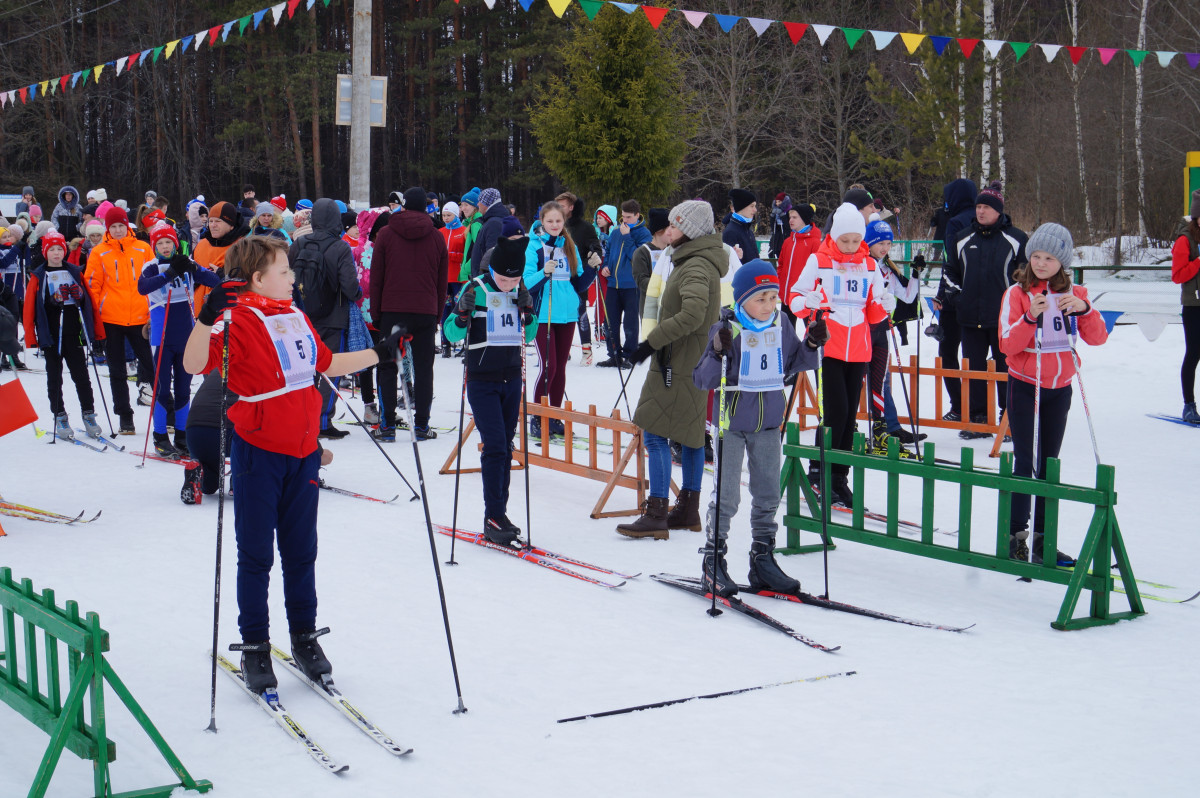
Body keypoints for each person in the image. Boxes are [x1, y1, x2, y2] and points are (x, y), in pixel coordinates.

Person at [181, 235, 406, 693]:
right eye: (284, 271)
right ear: (259, 279)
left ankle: (305, 638)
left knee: (302, 553)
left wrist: (379, 353)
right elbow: (193, 362)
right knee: (257, 555)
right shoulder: (236, 319)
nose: (293, 278)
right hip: (258, 453)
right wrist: (206, 317)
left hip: (303, 452)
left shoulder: (296, 316)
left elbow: (325, 363)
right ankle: (256, 646)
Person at [692, 260, 825, 595]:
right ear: (742, 299)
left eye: (772, 297)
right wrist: (717, 352)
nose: (768, 305)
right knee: (727, 495)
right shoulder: (729, 326)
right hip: (732, 423)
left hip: (767, 423)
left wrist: (810, 344)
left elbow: (794, 363)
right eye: (760, 298)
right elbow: (703, 379)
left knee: (767, 493)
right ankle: (713, 559)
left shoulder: (780, 323)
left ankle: (762, 558)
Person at [617, 200, 726, 539]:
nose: (667, 231)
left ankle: (657, 511)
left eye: (674, 226)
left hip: (677, 362)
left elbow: (693, 314)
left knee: (655, 431)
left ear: (690, 231)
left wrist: (651, 342)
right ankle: (688, 510)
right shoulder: (696, 259)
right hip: (691, 360)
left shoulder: (694, 265)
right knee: (691, 435)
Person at [998, 223, 1106, 565]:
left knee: (1049, 465)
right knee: (1025, 463)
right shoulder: (1017, 294)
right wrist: (1030, 316)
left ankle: (1045, 541)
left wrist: (1085, 310)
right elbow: (1006, 344)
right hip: (1025, 384)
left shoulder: (1076, 293)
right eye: (1037, 256)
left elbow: (1099, 337)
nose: (1042, 263)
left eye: (1049, 258)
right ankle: (1016, 538)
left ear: (1062, 262)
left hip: (1060, 387)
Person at [788, 202, 888, 509]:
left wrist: (883, 303)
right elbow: (793, 299)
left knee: (849, 420)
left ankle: (839, 478)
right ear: (834, 236)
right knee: (835, 413)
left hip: (858, 349)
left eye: (856, 240)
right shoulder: (820, 260)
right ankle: (819, 475)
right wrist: (809, 301)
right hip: (827, 347)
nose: (850, 246)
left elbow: (874, 312)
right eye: (844, 240)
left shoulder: (869, 266)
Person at [444, 236, 538, 545]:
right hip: (482, 381)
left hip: (512, 379)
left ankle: (499, 513)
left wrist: (529, 310)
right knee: (495, 446)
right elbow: (451, 333)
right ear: (493, 271)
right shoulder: (476, 289)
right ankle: (493, 515)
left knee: (505, 447)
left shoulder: (519, 291)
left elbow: (529, 334)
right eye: (503, 278)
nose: (509, 284)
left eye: (514, 278)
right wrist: (461, 313)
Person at [943, 181, 1027, 438]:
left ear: (998, 211)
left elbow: (1026, 277)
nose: (981, 211)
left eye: (986, 207)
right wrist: (958, 298)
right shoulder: (962, 237)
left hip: (1004, 321)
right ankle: (978, 418)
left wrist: (1018, 307)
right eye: (978, 206)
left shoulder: (1017, 239)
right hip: (969, 318)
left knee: (1006, 369)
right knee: (974, 370)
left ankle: (1009, 417)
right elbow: (950, 272)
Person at [370, 187, 449, 441]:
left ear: (403, 206)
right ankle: (423, 425)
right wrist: (436, 314)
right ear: (426, 208)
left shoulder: (385, 233)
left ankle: (388, 425)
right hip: (425, 309)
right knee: (424, 367)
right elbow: (441, 281)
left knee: (388, 366)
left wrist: (377, 313)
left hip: (393, 309)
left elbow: (377, 277)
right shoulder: (437, 236)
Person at [137, 223, 222, 457]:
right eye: (160, 243)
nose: (165, 247)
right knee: (163, 390)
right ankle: (160, 436)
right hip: (162, 338)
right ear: (155, 246)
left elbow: (212, 279)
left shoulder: (186, 263)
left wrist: (208, 272)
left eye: (169, 242)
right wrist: (169, 274)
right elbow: (143, 288)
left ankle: (182, 436)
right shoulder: (151, 267)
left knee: (184, 389)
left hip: (186, 337)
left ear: (176, 244)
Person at [288, 199, 361, 440]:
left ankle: (302, 417)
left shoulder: (298, 243)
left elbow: (287, 278)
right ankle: (322, 421)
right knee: (331, 369)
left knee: (304, 370)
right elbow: (350, 285)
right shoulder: (340, 247)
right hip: (334, 317)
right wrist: (358, 296)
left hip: (302, 318)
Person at [22, 231, 103, 439]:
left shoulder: (74, 272)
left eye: (60, 249)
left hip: (72, 334)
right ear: (45, 252)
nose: (56, 253)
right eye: (52, 249)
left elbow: (88, 303)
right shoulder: (39, 275)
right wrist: (52, 302)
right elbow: (31, 308)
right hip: (50, 335)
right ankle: (59, 414)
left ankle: (88, 414)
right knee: (54, 377)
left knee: (81, 376)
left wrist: (80, 297)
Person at [84, 206, 156, 433]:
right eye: (113, 226)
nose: (117, 230)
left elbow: (155, 280)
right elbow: (92, 286)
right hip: (111, 319)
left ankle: (167, 411)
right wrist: (94, 319)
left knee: (151, 367)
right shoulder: (99, 252)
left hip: (140, 318)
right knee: (117, 371)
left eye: (121, 226)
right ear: (108, 228)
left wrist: (154, 311)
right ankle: (125, 416)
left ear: (128, 226)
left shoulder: (143, 249)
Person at [522, 201, 582, 438]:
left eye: (558, 221)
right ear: (542, 222)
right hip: (543, 313)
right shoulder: (534, 245)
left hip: (567, 314)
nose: (555, 225)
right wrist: (544, 272)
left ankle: (555, 415)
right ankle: (539, 416)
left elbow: (577, 281)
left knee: (561, 368)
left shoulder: (568, 244)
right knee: (549, 366)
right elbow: (526, 282)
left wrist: (593, 269)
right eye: (550, 221)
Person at [863, 220, 922, 454]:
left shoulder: (888, 267)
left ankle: (886, 428)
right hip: (861, 329)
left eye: (888, 243)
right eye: (880, 243)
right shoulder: (863, 264)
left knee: (882, 380)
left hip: (881, 329)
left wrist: (916, 273)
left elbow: (908, 296)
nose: (885, 247)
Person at [930, 177, 978, 422]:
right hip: (981, 299)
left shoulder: (955, 222)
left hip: (954, 298)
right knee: (977, 355)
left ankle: (959, 405)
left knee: (948, 351)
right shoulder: (983, 218)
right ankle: (980, 406)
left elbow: (950, 263)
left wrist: (941, 294)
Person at [598, 199, 652, 367]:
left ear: (637, 215)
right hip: (613, 284)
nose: (625, 220)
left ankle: (629, 355)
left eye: (629, 217)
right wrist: (606, 266)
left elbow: (638, 257)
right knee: (610, 322)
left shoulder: (644, 234)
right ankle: (613, 354)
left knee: (630, 323)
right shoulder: (615, 232)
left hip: (632, 285)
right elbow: (608, 251)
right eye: (623, 216)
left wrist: (627, 237)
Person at [557, 192, 603, 367]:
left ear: (571, 207)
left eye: (562, 205)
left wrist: (593, 253)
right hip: (558, 276)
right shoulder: (555, 225)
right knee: (559, 313)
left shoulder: (585, 227)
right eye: (557, 205)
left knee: (580, 312)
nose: (559, 208)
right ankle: (562, 350)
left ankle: (586, 351)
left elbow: (595, 247)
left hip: (578, 275)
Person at [1172, 190, 1200, 424]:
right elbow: (1178, 275)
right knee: (1194, 354)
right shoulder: (1185, 240)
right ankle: (1188, 405)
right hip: (1194, 306)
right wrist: (1199, 262)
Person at [193, 201, 250, 312]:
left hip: (228, 312)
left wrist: (222, 274)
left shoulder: (242, 246)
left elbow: (248, 280)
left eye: (218, 221)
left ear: (231, 225)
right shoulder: (201, 245)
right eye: (211, 221)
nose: (213, 225)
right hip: (199, 311)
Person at [775, 203, 821, 319]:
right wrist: (781, 285)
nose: (790, 220)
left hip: (805, 298)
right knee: (786, 332)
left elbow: (818, 270)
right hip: (786, 296)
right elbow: (781, 265)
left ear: (804, 219)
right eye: (790, 217)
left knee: (810, 332)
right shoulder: (788, 242)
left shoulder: (815, 242)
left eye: (795, 217)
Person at [439, 201, 468, 358]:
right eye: (443, 215)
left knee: (460, 310)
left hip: (459, 278)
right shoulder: (440, 231)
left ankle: (464, 342)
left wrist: (451, 255)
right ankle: (445, 343)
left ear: (456, 215)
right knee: (445, 310)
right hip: (444, 278)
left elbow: (466, 254)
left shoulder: (463, 231)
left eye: (449, 215)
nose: (445, 218)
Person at [632, 208, 669, 318]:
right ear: (659, 231)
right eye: (669, 228)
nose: (672, 232)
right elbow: (642, 281)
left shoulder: (673, 251)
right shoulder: (642, 252)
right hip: (650, 309)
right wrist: (667, 285)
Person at [466, 188, 509, 278]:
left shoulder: (494, 224)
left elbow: (492, 256)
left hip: (487, 282)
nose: (478, 204)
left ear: (486, 203)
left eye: (480, 201)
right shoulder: (492, 220)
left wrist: (485, 279)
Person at [722, 188, 758, 262]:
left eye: (755, 206)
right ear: (741, 207)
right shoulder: (730, 232)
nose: (755, 210)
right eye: (752, 206)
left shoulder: (747, 229)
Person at [767, 193, 791, 259]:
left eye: (779, 201)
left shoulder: (789, 211)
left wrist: (782, 216)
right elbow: (772, 226)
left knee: (783, 256)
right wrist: (772, 216)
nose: (777, 204)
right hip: (776, 237)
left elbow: (788, 226)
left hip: (785, 236)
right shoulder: (775, 211)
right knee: (771, 254)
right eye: (776, 202)